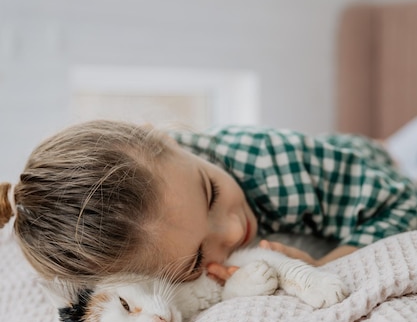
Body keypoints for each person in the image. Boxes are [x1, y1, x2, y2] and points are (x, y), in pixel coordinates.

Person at [1, 120, 416, 286]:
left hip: (386, 163)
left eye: (211, 192)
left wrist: (327, 266)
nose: (233, 231)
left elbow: (403, 204)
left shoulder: (270, 164)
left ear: (167, 138)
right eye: (196, 258)